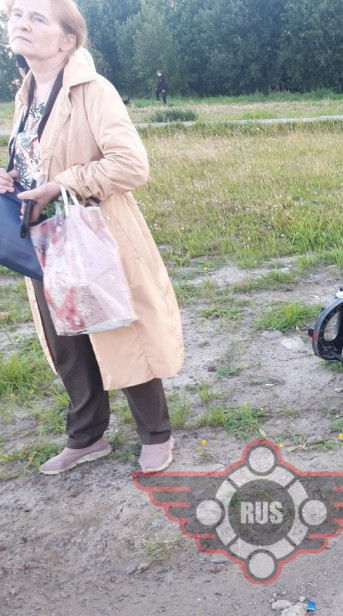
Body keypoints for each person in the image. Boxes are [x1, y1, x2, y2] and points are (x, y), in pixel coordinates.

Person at [0, 0, 184, 474]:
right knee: (67, 343)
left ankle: (156, 433)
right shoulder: (25, 95)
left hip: (92, 235)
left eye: (36, 17)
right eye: (16, 15)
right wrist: (10, 178)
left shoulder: (93, 90)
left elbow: (131, 165)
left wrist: (62, 184)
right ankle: (87, 436)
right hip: (43, 241)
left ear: (68, 40)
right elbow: (37, 158)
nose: (20, 23)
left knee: (117, 328)